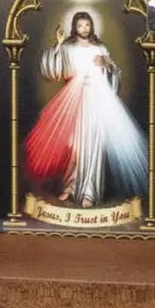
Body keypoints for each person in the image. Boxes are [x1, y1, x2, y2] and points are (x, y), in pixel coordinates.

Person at [23, 11, 148, 208]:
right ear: (75, 27)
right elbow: (54, 72)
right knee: (75, 145)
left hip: (97, 99)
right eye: (80, 25)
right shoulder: (68, 47)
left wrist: (107, 64)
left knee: (94, 145)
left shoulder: (100, 47)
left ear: (92, 26)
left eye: (87, 25)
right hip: (75, 99)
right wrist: (58, 45)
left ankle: (89, 192)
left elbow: (114, 71)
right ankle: (70, 187)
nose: (84, 29)